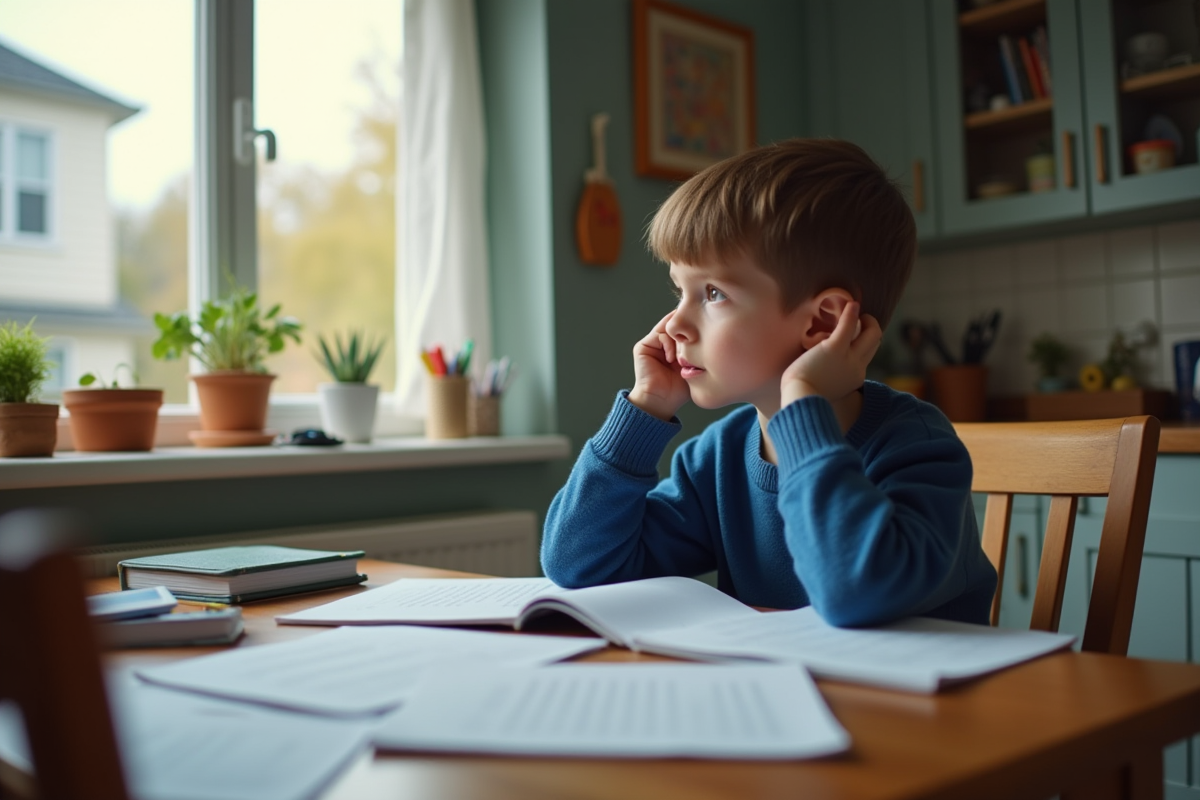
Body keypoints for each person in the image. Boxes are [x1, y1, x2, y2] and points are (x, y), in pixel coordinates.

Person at [541, 138, 997, 627]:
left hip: (920, 701)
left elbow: (855, 593)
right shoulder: (715, 459)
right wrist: (645, 408)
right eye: (680, 290)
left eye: (712, 293)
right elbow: (580, 566)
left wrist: (802, 404)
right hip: (783, 694)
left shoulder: (916, 447)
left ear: (822, 324)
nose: (674, 324)